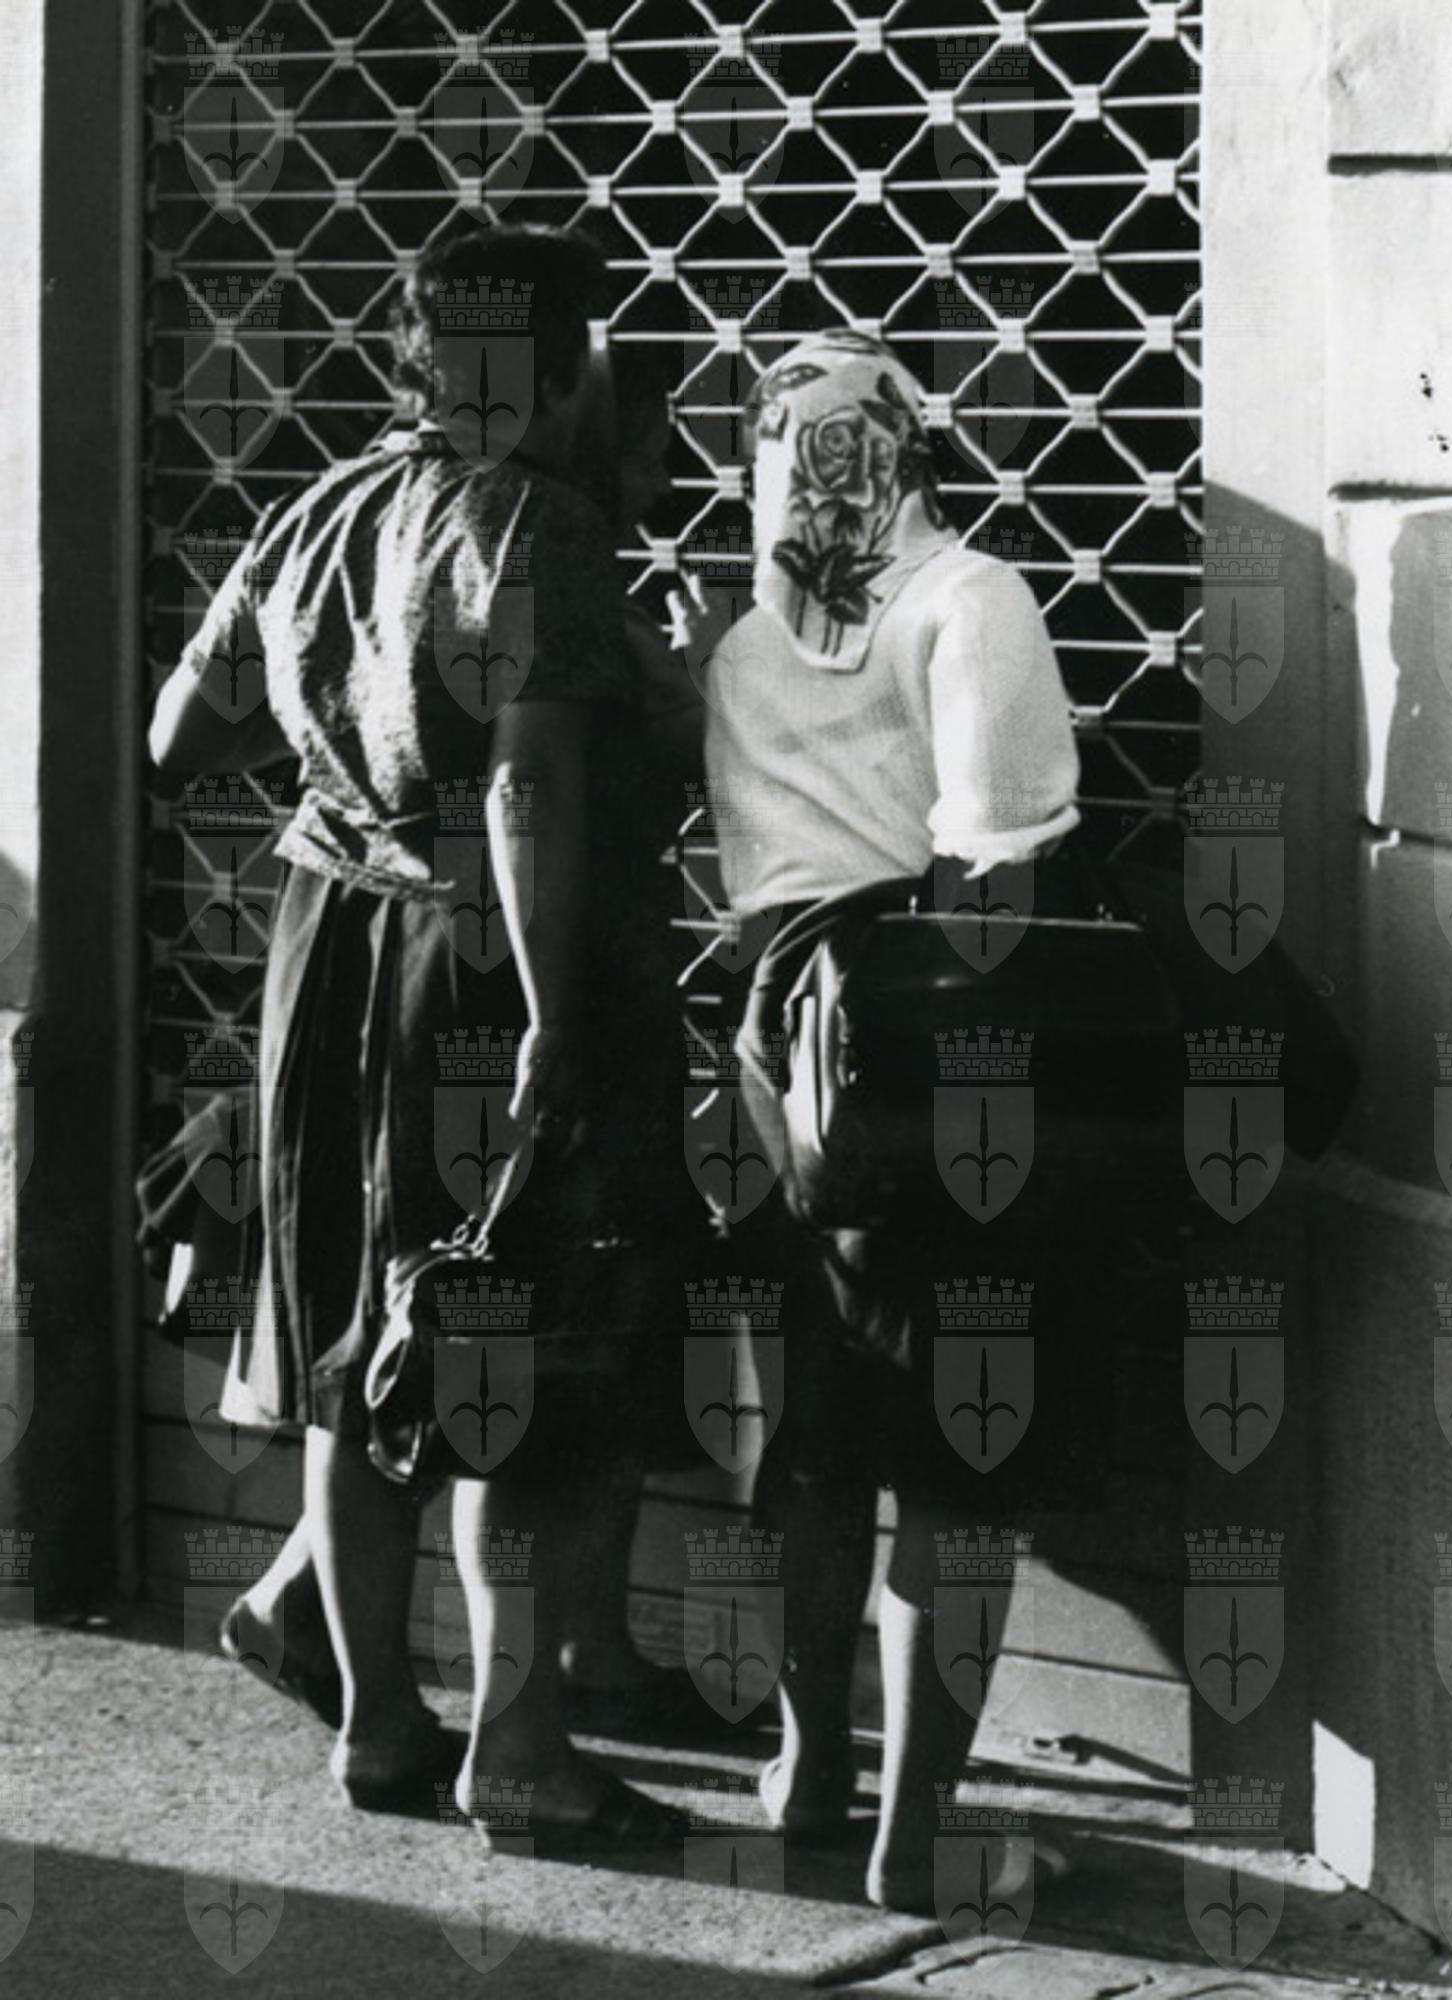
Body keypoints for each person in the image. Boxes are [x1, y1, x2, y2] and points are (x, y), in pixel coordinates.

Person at [149, 224, 688, 1850]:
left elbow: (181, 738)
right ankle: (520, 1747)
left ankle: (378, 1726)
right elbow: (529, 782)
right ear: (559, 369)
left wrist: (344, 740)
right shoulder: (537, 520)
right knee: (515, 1336)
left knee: (353, 1345)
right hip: (480, 952)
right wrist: (551, 1012)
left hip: (326, 944)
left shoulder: (316, 511)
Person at [696, 330, 1095, 1910]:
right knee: (953, 1455)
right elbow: (995, 863)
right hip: (928, 1049)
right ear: (914, 447)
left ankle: (810, 1773)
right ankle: (916, 1840)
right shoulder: (971, 599)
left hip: (772, 1049)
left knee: (813, 1437)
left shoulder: (742, 640)